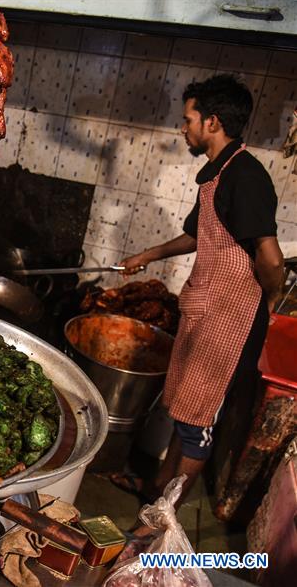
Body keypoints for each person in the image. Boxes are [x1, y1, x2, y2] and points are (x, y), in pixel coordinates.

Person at [117, 75, 285, 522]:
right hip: (205, 311)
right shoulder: (217, 173)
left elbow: (271, 258)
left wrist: (269, 301)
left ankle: (163, 518)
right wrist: (147, 255)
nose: (183, 127)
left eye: (188, 119)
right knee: (184, 407)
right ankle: (156, 489)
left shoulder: (247, 176)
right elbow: (196, 235)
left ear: (212, 122)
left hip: (230, 322)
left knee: (198, 421)